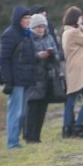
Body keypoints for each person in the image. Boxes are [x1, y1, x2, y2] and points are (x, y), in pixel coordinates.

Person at [0, 7, 33, 150]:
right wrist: (8, 81)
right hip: (15, 79)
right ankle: (12, 143)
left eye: (29, 18)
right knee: (15, 112)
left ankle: (16, 140)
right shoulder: (9, 35)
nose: (28, 21)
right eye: (25, 18)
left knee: (23, 112)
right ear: (18, 19)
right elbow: (4, 59)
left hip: (25, 78)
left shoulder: (27, 35)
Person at [24, 13, 62, 143]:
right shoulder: (27, 38)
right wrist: (37, 56)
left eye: (43, 27)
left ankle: (37, 136)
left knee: (42, 108)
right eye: (38, 27)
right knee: (32, 108)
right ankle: (29, 136)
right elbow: (24, 57)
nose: (40, 29)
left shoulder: (49, 37)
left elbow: (57, 55)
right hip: (33, 77)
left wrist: (51, 55)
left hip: (48, 77)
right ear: (32, 27)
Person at [61, 6, 83, 138]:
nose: (82, 20)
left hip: (74, 68)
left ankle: (67, 128)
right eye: (80, 17)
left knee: (71, 100)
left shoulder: (67, 32)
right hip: (79, 69)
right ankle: (77, 126)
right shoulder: (74, 32)